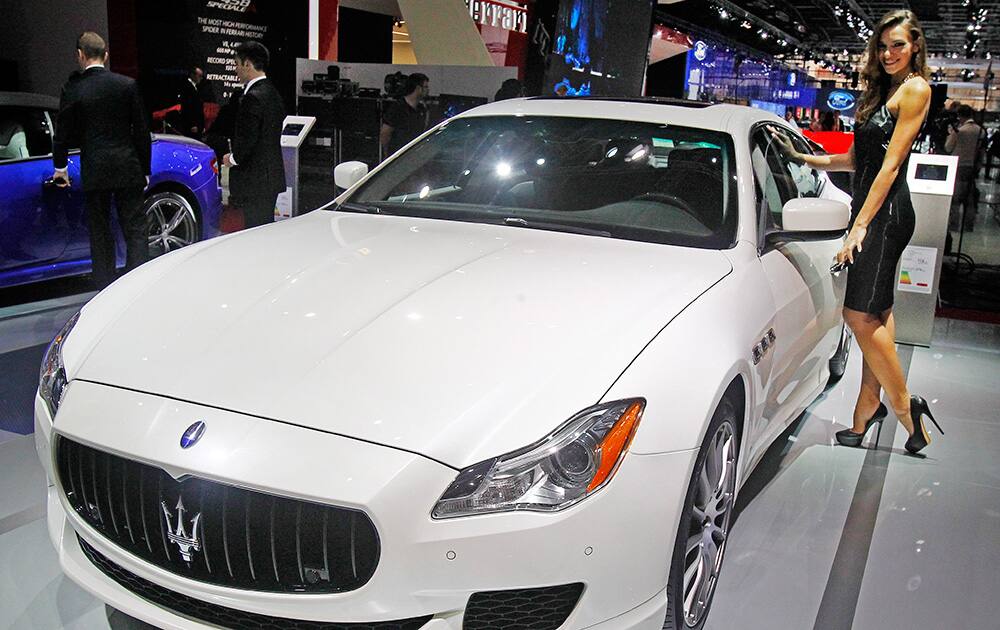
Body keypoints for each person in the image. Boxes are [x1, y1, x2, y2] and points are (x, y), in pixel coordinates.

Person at [773, 10, 941, 454]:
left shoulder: (916, 90)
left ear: (915, 47)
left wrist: (859, 226)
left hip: (885, 216)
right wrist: (805, 158)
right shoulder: (883, 89)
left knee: (857, 316)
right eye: (883, 46)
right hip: (873, 212)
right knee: (878, 315)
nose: (888, 54)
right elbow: (856, 160)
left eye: (898, 45)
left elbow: (889, 167)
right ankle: (867, 407)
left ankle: (907, 408)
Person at [51, 31, 151, 289]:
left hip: (95, 169)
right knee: (136, 229)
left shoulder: (73, 89)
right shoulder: (126, 85)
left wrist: (60, 167)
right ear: (105, 56)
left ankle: (105, 287)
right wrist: (145, 168)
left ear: (80, 55)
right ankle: (140, 284)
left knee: (100, 231)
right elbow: (141, 131)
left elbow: (62, 133)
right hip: (128, 166)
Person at [223, 42, 286, 229]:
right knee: (265, 229)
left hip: (255, 180)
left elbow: (248, 139)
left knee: (254, 229)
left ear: (247, 64)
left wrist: (232, 159)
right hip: (270, 176)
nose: (235, 69)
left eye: (236, 64)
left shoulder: (252, 97)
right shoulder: (273, 93)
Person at [945, 104, 983, 231]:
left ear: (960, 116)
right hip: (972, 165)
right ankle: (968, 225)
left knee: (956, 198)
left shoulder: (959, 131)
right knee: (969, 198)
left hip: (958, 165)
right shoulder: (980, 130)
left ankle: (954, 224)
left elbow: (948, 147)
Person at [380, 72, 429, 158]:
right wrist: (387, 154)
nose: (427, 90)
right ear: (418, 88)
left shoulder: (421, 109)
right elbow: (385, 133)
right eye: (425, 87)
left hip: (414, 154)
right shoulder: (398, 108)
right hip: (398, 154)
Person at [179, 65, 205, 138]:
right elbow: (188, 107)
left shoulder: (193, 88)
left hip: (195, 126)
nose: (201, 78)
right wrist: (192, 124)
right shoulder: (188, 87)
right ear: (192, 75)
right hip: (192, 127)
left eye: (201, 76)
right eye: (199, 76)